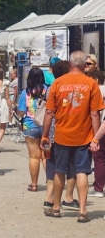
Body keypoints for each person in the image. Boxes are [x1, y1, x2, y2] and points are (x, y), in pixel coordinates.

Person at [42, 51, 104, 222]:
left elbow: (49, 112)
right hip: (84, 136)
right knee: (82, 172)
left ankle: (56, 207)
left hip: (62, 135)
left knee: (59, 171)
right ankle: (83, 211)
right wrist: (96, 138)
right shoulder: (91, 84)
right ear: (85, 65)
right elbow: (95, 114)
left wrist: (45, 135)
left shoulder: (58, 83)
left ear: (70, 64)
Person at [44, 60, 78, 210]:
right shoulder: (70, 88)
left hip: (51, 131)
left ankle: (49, 197)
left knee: (52, 165)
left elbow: (48, 111)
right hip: (66, 130)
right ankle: (68, 197)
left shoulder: (50, 88)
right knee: (71, 165)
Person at [17, 67, 47, 191]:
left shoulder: (26, 92)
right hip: (46, 126)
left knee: (34, 157)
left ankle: (34, 184)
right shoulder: (48, 90)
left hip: (30, 126)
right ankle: (50, 180)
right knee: (46, 156)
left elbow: (21, 111)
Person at [86, 68, 105, 197]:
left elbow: (95, 114)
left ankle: (98, 188)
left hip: (100, 130)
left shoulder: (97, 91)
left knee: (99, 159)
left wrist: (95, 137)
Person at [0, 68, 12, 142]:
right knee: (2, 126)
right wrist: (11, 109)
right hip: (3, 103)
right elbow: (7, 97)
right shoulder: (5, 83)